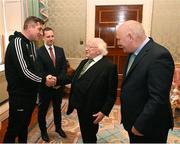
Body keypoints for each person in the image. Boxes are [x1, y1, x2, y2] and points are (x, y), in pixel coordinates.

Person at [116, 20, 174, 143]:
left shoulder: (159, 56)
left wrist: (139, 125)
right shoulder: (132, 52)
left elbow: (158, 98)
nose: (118, 43)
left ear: (130, 37)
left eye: (119, 39)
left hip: (148, 126)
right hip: (133, 120)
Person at [3, 16, 56, 143]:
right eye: (39, 29)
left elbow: (35, 68)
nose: (41, 32)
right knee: (14, 129)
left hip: (30, 95)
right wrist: (44, 80)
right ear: (30, 27)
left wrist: (45, 76)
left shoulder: (31, 44)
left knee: (23, 127)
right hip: (19, 96)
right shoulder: (17, 43)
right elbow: (24, 71)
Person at [67, 37, 118, 143]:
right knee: (85, 131)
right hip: (80, 104)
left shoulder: (109, 66)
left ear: (99, 50)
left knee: (90, 134)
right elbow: (74, 78)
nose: (86, 49)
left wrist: (104, 111)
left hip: (93, 108)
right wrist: (56, 80)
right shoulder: (84, 62)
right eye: (86, 46)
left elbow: (111, 94)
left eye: (89, 47)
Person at [37, 27, 70, 142]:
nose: (51, 38)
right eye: (48, 36)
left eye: (52, 36)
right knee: (43, 110)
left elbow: (63, 69)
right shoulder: (39, 52)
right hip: (45, 88)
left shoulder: (60, 50)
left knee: (57, 108)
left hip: (58, 87)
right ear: (43, 38)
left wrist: (57, 80)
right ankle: (43, 131)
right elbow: (40, 70)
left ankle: (58, 128)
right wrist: (48, 80)